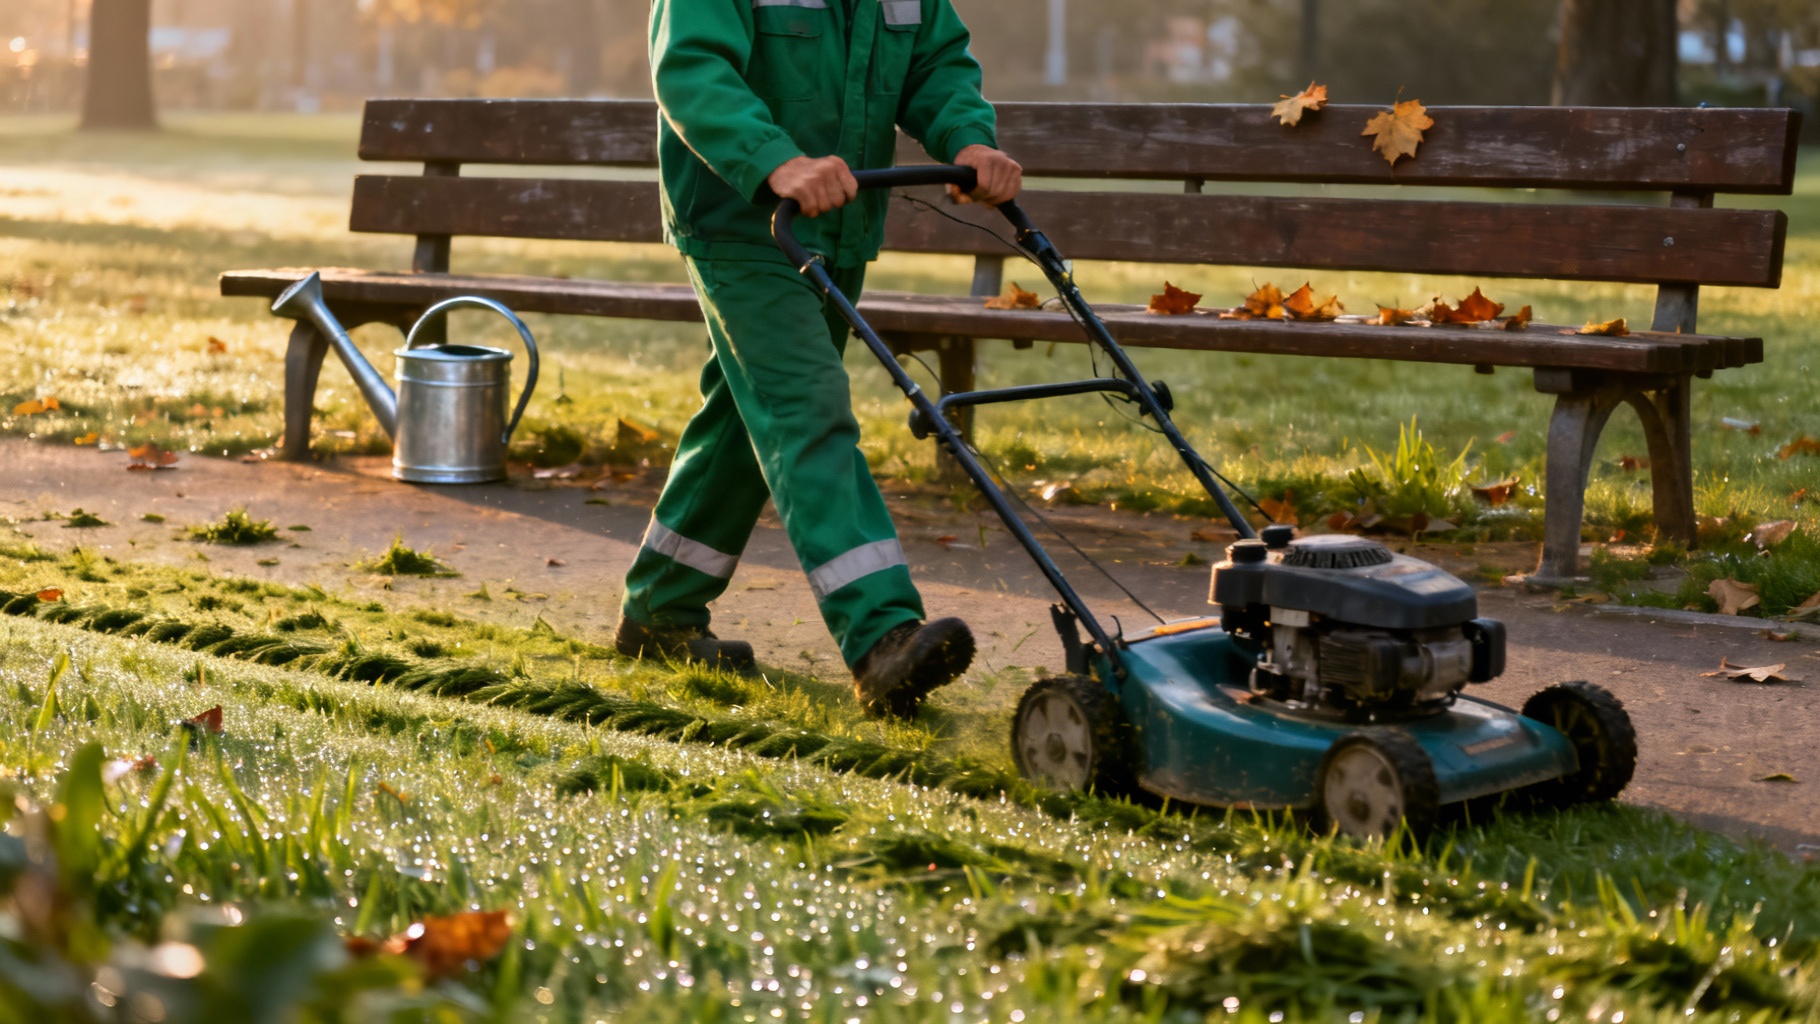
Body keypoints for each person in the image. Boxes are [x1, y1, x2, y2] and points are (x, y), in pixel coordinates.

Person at [615, 0, 1024, 716]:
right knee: (807, 408)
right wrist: (775, 161)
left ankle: (660, 608)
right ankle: (881, 635)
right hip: (742, 224)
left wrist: (969, 139)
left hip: (839, 226)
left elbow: (935, 64)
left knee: (749, 422)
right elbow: (691, 68)